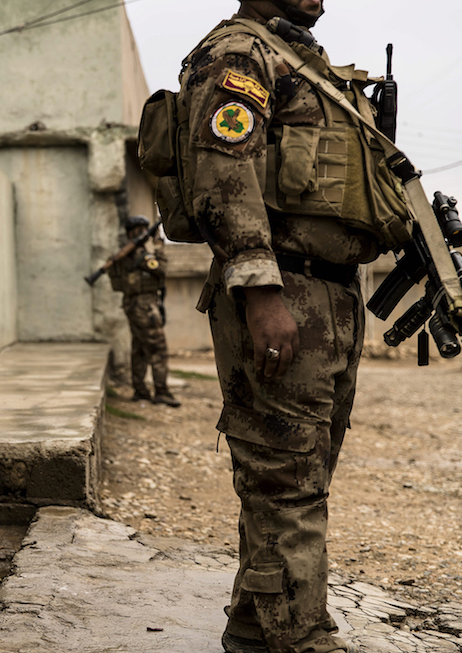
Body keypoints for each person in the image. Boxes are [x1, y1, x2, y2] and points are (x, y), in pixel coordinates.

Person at [179, 1, 412, 652]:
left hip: (332, 295)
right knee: (287, 486)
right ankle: (303, 637)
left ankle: (255, 630)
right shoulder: (239, 54)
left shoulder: (306, 64)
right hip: (284, 292)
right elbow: (223, 177)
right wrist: (260, 293)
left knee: (301, 477)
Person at [107, 215, 180, 407]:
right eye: (141, 230)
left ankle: (140, 390)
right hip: (144, 306)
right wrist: (159, 247)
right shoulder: (139, 255)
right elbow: (161, 269)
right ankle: (161, 391)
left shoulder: (126, 254)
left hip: (133, 305)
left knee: (139, 348)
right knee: (158, 349)